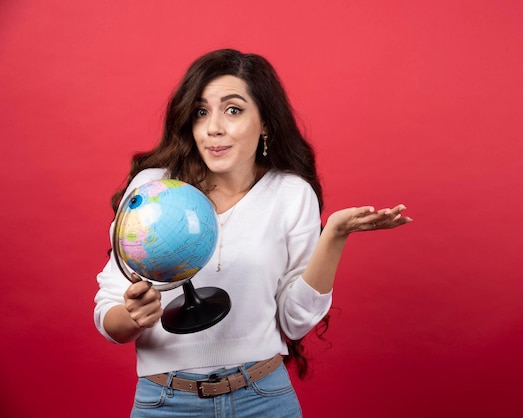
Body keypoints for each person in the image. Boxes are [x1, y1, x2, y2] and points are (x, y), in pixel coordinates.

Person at [94, 48, 412, 417]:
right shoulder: (153, 190)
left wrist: (334, 235)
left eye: (233, 110)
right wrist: (133, 316)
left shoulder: (290, 194)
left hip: (261, 398)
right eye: (201, 112)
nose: (214, 127)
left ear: (264, 123)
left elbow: (294, 322)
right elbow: (109, 314)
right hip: (165, 402)